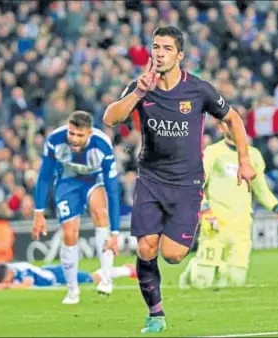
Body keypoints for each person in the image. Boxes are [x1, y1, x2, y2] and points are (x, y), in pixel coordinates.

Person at [103, 26, 256, 333]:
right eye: (155, 47)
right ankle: (156, 314)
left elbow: (233, 118)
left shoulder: (197, 90)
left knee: (172, 255)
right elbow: (110, 118)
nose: (159, 53)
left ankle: (192, 229)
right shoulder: (140, 86)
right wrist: (138, 92)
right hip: (150, 178)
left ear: (180, 55)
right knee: (146, 248)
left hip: (187, 183)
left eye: (167, 48)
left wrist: (244, 160)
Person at [178, 121, 278, 289]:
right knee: (202, 282)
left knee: (235, 283)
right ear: (221, 128)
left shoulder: (254, 156)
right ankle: (194, 267)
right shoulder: (213, 152)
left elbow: (262, 190)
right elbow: (196, 184)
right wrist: (206, 211)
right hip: (215, 224)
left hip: (241, 226)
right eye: (229, 124)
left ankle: (221, 272)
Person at [31, 111, 120, 305]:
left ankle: (106, 277)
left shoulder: (102, 146)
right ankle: (72, 290)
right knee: (70, 233)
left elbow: (113, 190)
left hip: (94, 180)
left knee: (99, 210)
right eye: (72, 133)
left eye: (80, 135)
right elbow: (44, 176)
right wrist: (38, 212)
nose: (74, 138)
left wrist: (115, 232)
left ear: (89, 133)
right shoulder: (55, 140)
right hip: (67, 182)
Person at [0, 262, 136, 290]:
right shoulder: (1, 275)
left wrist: (4, 287)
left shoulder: (21, 270)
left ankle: (126, 270)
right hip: (50, 274)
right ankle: (125, 270)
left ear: (9, 273)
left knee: (92, 278)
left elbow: (26, 285)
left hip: (57, 275)